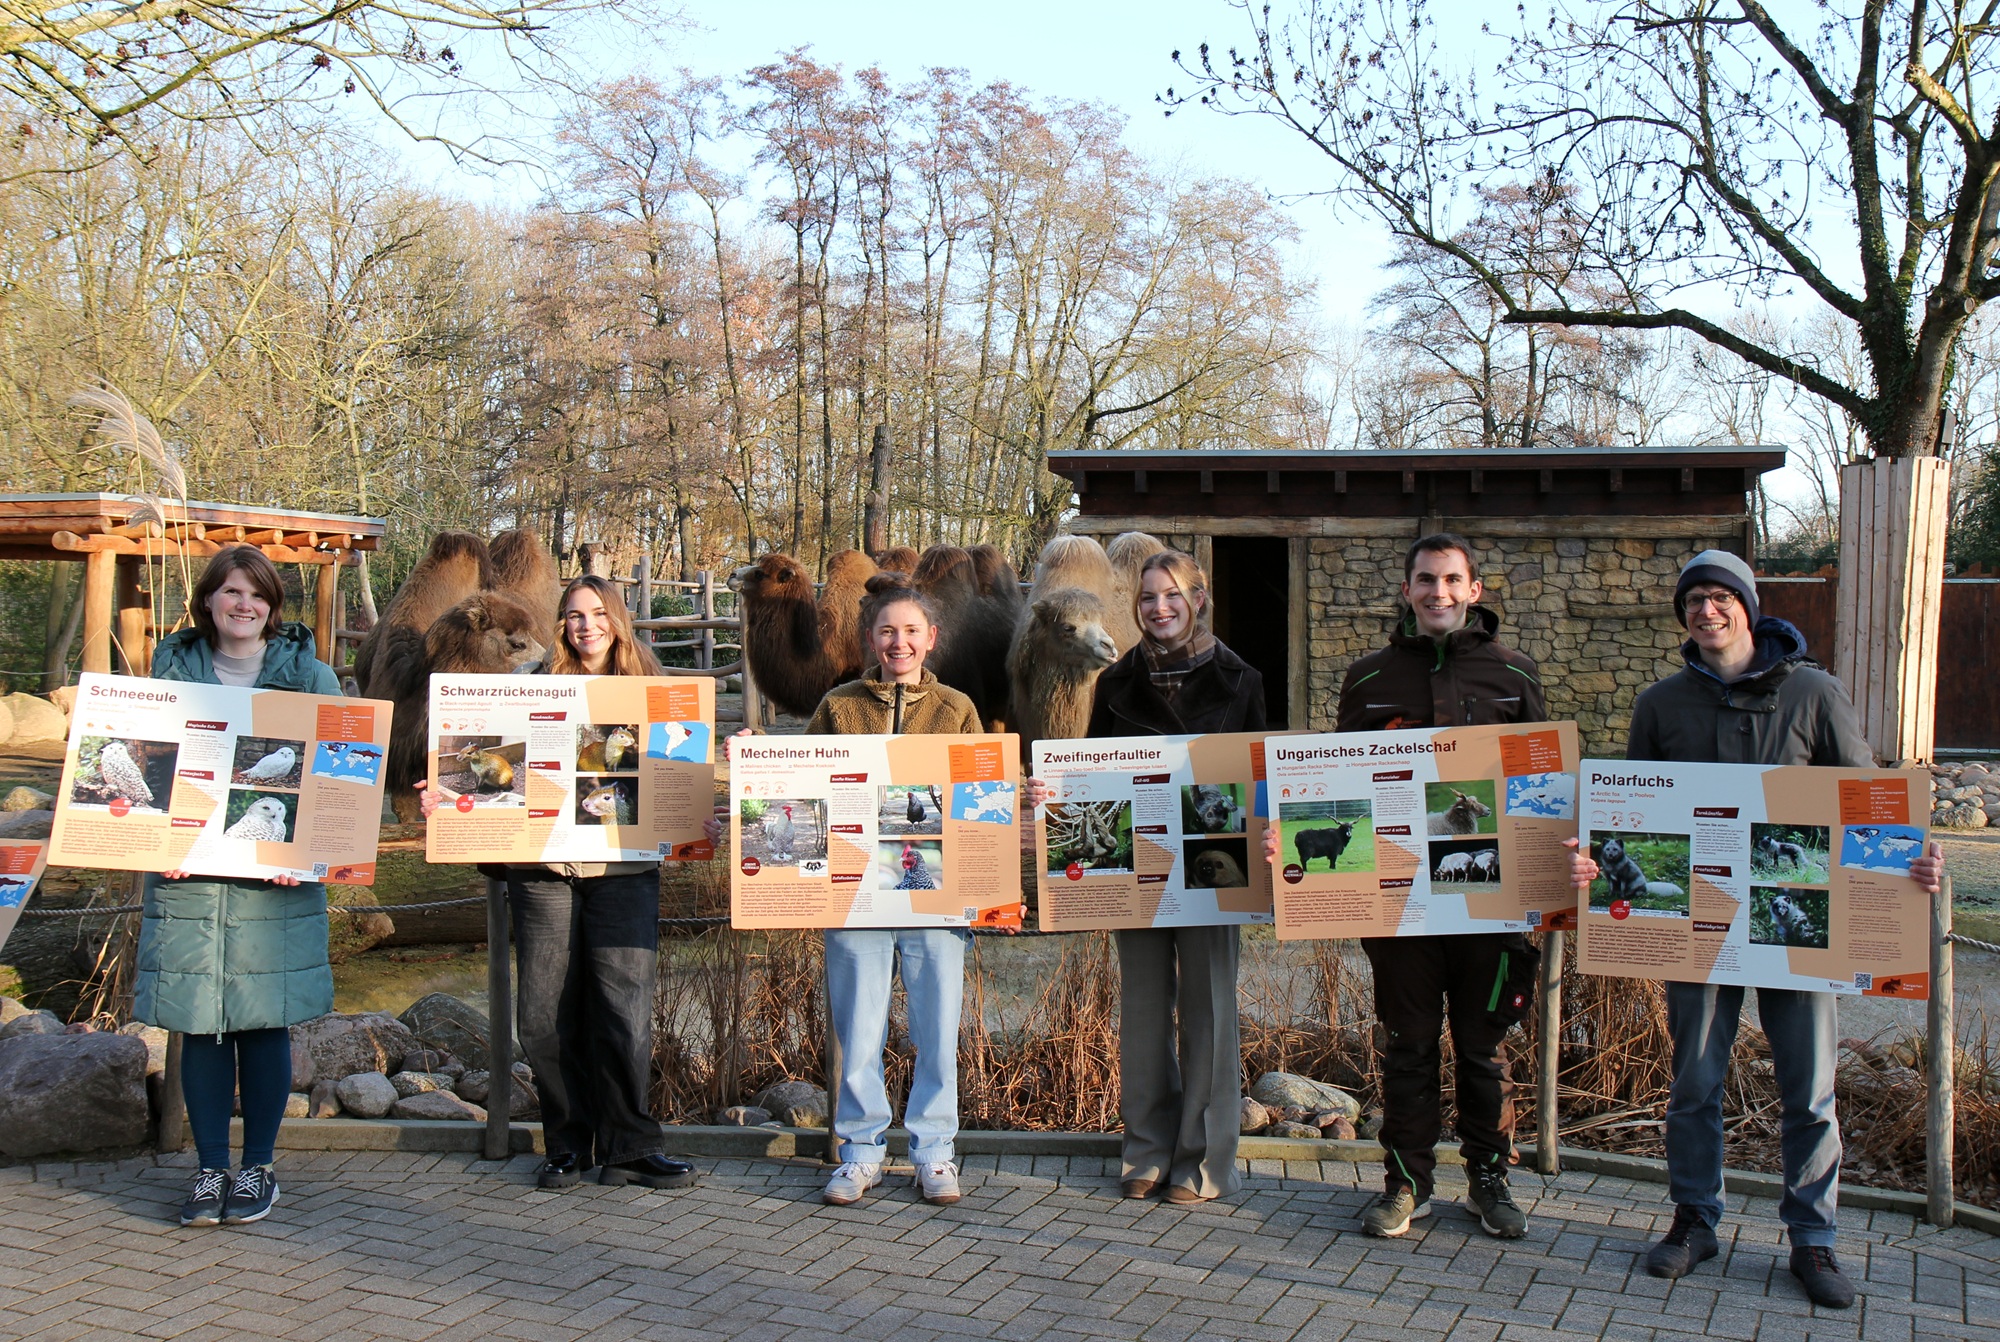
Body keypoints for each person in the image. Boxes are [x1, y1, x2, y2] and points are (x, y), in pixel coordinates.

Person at [1568, 549, 1943, 1309]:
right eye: (1694, 601)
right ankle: (1694, 1220)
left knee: (1809, 1089)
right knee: (1695, 1084)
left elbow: (1869, 799)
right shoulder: (1661, 704)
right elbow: (1636, 818)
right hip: (1701, 930)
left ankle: (1814, 1240)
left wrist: (1913, 860)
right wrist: (1594, 866)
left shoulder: (1813, 692)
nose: (1707, 612)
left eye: (1719, 598)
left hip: (1793, 925)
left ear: (1747, 604)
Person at [1272, 533, 1546, 1240]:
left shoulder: (1515, 676)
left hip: (1489, 904)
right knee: (1409, 1047)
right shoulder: (1367, 681)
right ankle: (1407, 1184)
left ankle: (1490, 1180)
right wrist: (1288, 825)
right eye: (1426, 580)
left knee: (1485, 1052)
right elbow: (1336, 793)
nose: (1439, 593)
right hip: (1400, 908)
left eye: (1452, 580)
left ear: (1474, 589)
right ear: (1407, 590)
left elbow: (1542, 791)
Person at [707, 581, 992, 1207]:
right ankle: (860, 1151)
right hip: (856, 889)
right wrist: (757, 764)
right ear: (871, 639)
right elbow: (802, 783)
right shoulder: (840, 705)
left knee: (936, 1025)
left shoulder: (957, 709)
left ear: (930, 640)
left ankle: (934, 1151)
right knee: (859, 1025)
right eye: (888, 631)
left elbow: (982, 795)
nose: (900, 642)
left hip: (932, 891)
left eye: (912, 631)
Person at [423, 575, 697, 1193]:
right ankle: (567, 1145)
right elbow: (493, 771)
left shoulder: (655, 693)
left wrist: (692, 814)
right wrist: (443, 793)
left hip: (624, 869)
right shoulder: (532, 688)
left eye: (598, 613)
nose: (586, 626)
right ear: (560, 625)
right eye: (573, 615)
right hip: (544, 871)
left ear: (618, 620)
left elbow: (676, 784)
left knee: (625, 1010)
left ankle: (630, 1145)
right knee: (543, 1014)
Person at [1031, 550, 1264, 1204]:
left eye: (1172, 596)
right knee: (1142, 1008)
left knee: (1209, 1009)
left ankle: (1203, 1162)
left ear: (1198, 598)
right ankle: (1146, 1151)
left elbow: (1259, 783)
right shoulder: (1115, 683)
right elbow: (1095, 777)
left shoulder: (1241, 681)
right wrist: (1054, 795)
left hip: (1216, 866)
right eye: (1149, 598)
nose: (1159, 607)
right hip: (1137, 866)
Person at [135, 546, 342, 1228]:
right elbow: (147, 773)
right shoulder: (167, 673)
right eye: (230, 592)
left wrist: (308, 853)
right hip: (189, 880)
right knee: (200, 1026)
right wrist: (152, 841)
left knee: (262, 1022)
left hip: (273, 883)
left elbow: (344, 777)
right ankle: (207, 1171)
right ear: (209, 600)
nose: (242, 605)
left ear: (272, 606)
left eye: (255, 594)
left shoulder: (310, 676)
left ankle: (258, 1166)